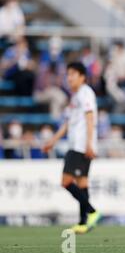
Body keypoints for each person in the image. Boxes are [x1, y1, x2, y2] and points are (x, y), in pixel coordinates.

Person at [42, 62, 101, 234]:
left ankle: (92, 211)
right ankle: (83, 222)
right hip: (77, 144)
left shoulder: (86, 93)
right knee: (82, 183)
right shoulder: (75, 97)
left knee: (66, 182)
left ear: (82, 76)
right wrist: (53, 140)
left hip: (81, 145)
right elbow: (68, 123)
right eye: (68, 74)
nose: (69, 78)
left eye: (73, 74)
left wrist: (90, 143)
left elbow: (90, 118)